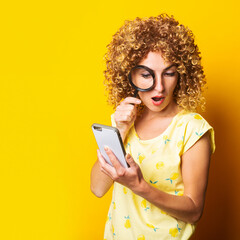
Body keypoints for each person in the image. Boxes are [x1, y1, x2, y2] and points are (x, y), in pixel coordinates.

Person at [90, 14, 215, 240]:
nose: (159, 87)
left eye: (169, 73)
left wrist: (139, 185)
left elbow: (194, 210)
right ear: (130, 76)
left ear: (181, 74)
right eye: (146, 75)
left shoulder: (192, 129)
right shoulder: (127, 122)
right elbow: (97, 189)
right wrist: (119, 131)